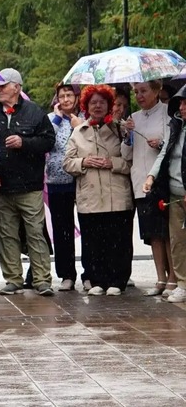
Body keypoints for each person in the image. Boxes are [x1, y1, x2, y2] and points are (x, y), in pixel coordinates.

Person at [0, 68, 55, 296]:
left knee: (35, 233)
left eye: (3, 85)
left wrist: (24, 142)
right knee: (6, 234)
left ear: (17, 87)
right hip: (2, 186)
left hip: (30, 186)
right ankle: (13, 279)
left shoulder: (35, 112)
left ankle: (42, 280)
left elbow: (49, 141)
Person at [63, 85, 133, 295]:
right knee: (93, 241)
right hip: (90, 196)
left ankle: (117, 281)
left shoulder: (121, 129)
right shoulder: (78, 132)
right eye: (93, 102)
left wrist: (113, 163)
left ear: (109, 105)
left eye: (102, 102)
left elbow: (131, 162)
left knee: (118, 240)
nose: (98, 106)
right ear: (86, 106)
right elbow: (67, 163)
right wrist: (84, 162)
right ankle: (97, 280)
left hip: (117, 195)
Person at [122, 80, 173, 296]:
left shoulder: (167, 114)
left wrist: (160, 144)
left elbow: (172, 145)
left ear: (156, 90)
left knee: (167, 232)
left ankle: (173, 278)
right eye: (136, 92)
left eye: (143, 91)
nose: (139, 96)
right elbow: (126, 154)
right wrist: (128, 136)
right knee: (152, 234)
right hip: (140, 182)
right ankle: (160, 278)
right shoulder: (133, 118)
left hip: (162, 181)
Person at [144, 84, 186, 303]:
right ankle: (183, 283)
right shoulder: (175, 125)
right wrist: (151, 176)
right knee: (177, 241)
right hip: (174, 193)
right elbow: (164, 154)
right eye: (180, 103)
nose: (182, 107)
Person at [46, 83, 84, 291]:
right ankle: (66, 274)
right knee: (62, 230)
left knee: (88, 227)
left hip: (83, 180)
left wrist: (78, 125)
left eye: (70, 95)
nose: (66, 99)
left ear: (77, 97)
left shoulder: (85, 118)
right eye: (62, 96)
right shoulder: (52, 119)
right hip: (57, 181)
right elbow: (47, 142)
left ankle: (90, 273)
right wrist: (58, 120)